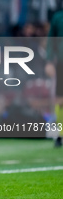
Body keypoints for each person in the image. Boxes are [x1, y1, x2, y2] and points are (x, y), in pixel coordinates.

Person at [45, 10, 63, 147]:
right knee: (60, 99)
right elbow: (51, 40)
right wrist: (50, 61)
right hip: (61, 62)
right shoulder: (58, 17)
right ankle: (60, 135)